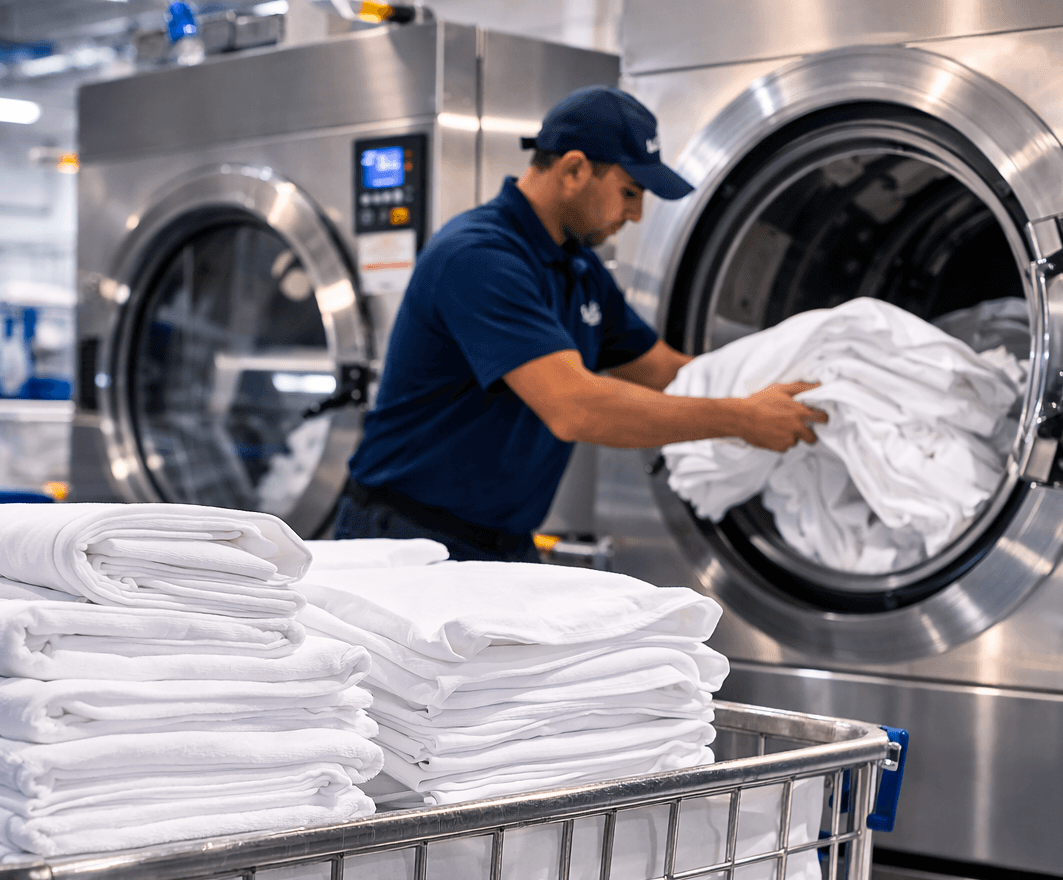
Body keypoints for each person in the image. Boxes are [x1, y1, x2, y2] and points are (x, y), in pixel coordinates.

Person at [335, 86, 826, 561]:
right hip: (404, 538)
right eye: (630, 192)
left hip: (502, 539)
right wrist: (740, 418)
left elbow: (667, 371)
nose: (635, 214)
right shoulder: (479, 257)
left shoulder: (578, 267)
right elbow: (574, 407)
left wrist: (797, 392)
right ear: (574, 170)